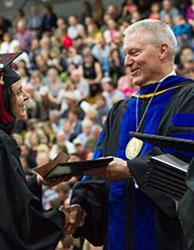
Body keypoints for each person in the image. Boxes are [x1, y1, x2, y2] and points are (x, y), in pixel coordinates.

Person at [68, 19, 194, 249]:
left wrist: (131, 170)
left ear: (162, 50)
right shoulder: (120, 110)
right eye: (125, 54)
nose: (127, 62)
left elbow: (185, 163)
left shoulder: (188, 98)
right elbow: (100, 164)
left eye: (134, 52)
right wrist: (80, 203)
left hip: (167, 236)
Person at [0, 52, 83, 250]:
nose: (26, 96)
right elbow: (14, 216)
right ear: (1, 99)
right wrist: (60, 218)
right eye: (19, 92)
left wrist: (36, 181)